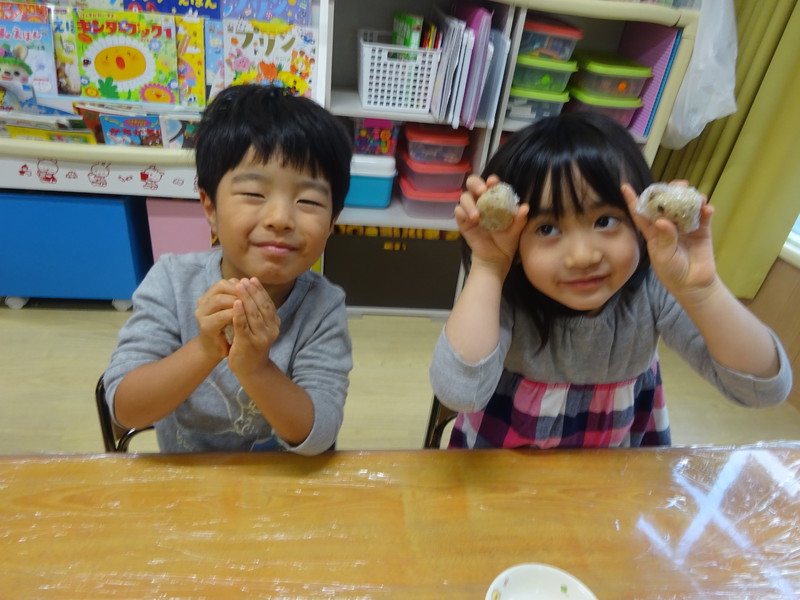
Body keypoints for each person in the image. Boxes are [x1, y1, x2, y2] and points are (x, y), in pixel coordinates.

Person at [429, 112, 791, 449]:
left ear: (641, 219)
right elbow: (459, 392)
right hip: (505, 471)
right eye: (548, 228)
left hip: (611, 481)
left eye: (605, 221)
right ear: (517, 243)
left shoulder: (652, 291)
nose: (584, 256)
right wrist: (490, 267)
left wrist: (702, 291)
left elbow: (762, 389)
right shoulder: (506, 297)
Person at [104, 84, 353, 454]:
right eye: (254, 194)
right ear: (209, 207)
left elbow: (319, 435)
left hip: (283, 486)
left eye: (308, 200)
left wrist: (256, 369)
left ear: (333, 221)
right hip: (187, 482)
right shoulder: (173, 282)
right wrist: (206, 349)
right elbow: (126, 410)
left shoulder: (322, 307)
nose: (281, 218)